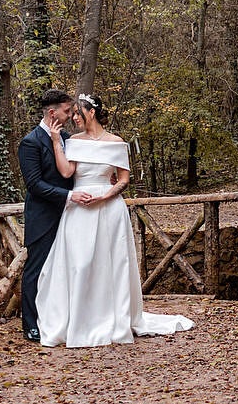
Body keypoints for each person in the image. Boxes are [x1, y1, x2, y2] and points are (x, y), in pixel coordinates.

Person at [33, 93, 196, 347]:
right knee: (81, 264)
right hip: (79, 208)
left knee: (111, 264)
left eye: (78, 112)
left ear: (92, 112)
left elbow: (123, 180)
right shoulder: (73, 141)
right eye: (72, 113)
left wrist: (104, 196)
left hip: (109, 208)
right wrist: (56, 141)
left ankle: (113, 318)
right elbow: (66, 172)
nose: (74, 117)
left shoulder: (116, 142)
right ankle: (80, 321)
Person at [18, 88, 78, 343]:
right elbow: (34, 185)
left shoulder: (66, 139)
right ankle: (31, 325)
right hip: (43, 217)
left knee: (65, 269)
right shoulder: (30, 142)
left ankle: (57, 320)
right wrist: (69, 196)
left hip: (71, 216)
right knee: (36, 270)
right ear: (52, 113)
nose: (70, 115)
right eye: (67, 111)